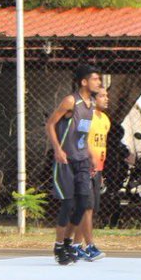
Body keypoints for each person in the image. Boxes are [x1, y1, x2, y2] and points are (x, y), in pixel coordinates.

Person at [44, 65, 101, 265]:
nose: (99, 82)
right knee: (68, 203)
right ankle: (59, 245)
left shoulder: (91, 104)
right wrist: (57, 149)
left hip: (82, 159)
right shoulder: (71, 101)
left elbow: (82, 134)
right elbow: (50, 124)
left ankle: (68, 243)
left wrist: (91, 155)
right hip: (66, 160)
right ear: (84, 82)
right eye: (95, 79)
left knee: (83, 204)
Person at [75, 87, 110, 261]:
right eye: (102, 96)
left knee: (89, 209)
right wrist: (87, 160)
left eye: (106, 95)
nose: (106, 98)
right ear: (94, 99)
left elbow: (100, 146)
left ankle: (75, 246)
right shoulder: (86, 116)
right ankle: (89, 247)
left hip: (97, 169)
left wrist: (100, 170)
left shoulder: (105, 120)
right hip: (84, 167)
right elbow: (79, 139)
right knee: (86, 208)